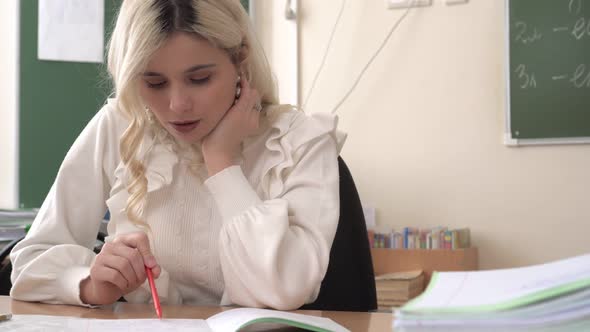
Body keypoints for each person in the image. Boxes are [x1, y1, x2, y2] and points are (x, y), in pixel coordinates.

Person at [10, 0, 345, 310]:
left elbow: (284, 290)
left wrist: (222, 163)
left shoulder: (301, 141)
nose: (177, 105)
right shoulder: (121, 125)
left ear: (240, 59)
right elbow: (30, 260)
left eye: (200, 79)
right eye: (154, 83)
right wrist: (89, 285)